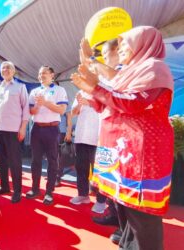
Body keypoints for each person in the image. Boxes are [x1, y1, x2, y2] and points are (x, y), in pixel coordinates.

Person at [71, 26, 174, 250]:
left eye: (126, 44)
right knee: (127, 209)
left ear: (142, 44)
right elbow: (111, 101)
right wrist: (92, 92)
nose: (122, 49)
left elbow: (131, 102)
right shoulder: (131, 71)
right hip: (125, 150)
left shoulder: (154, 68)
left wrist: (95, 86)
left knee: (142, 213)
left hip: (142, 152)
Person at [81, 38, 122, 243]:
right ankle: (113, 214)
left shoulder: (123, 71)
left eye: (107, 55)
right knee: (110, 179)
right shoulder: (108, 76)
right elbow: (102, 100)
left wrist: (90, 59)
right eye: (103, 56)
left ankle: (126, 227)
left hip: (121, 137)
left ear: (119, 51)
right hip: (107, 133)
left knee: (121, 180)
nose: (104, 60)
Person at [25, 66, 68, 205]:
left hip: (52, 129)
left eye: (44, 72)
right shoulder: (34, 91)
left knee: (52, 161)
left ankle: (49, 192)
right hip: (37, 129)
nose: (41, 75)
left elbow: (62, 110)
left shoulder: (59, 90)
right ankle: (35, 189)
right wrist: (37, 107)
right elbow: (31, 111)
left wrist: (46, 103)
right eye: (39, 73)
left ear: (52, 75)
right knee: (35, 161)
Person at [0, 61, 30, 203]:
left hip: (14, 129)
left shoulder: (20, 87)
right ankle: (5, 187)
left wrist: (23, 127)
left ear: (13, 71)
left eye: (8, 68)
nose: (5, 70)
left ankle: (17, 191)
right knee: (1, 161)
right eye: (3, 68)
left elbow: (26, 108)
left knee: (15, 161)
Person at [69, 91, 107, 214]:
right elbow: (73, 113)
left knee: (99, 171)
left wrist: (90, 102)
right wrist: (79, 104)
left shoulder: (104, 88)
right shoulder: (81, 92)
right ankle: (83, 195)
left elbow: (108, 107)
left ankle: (101, 201)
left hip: (98, 138)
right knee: (81, 168)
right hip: (81, 137)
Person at [56, 102, 73, 187]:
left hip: (61, 131)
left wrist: (68, 132)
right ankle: (52, 174)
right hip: (49, 129)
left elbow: (69, 117)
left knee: (59, 155)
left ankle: (57, 176)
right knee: (51, 155)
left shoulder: (64, 100)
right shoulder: (47, 97)